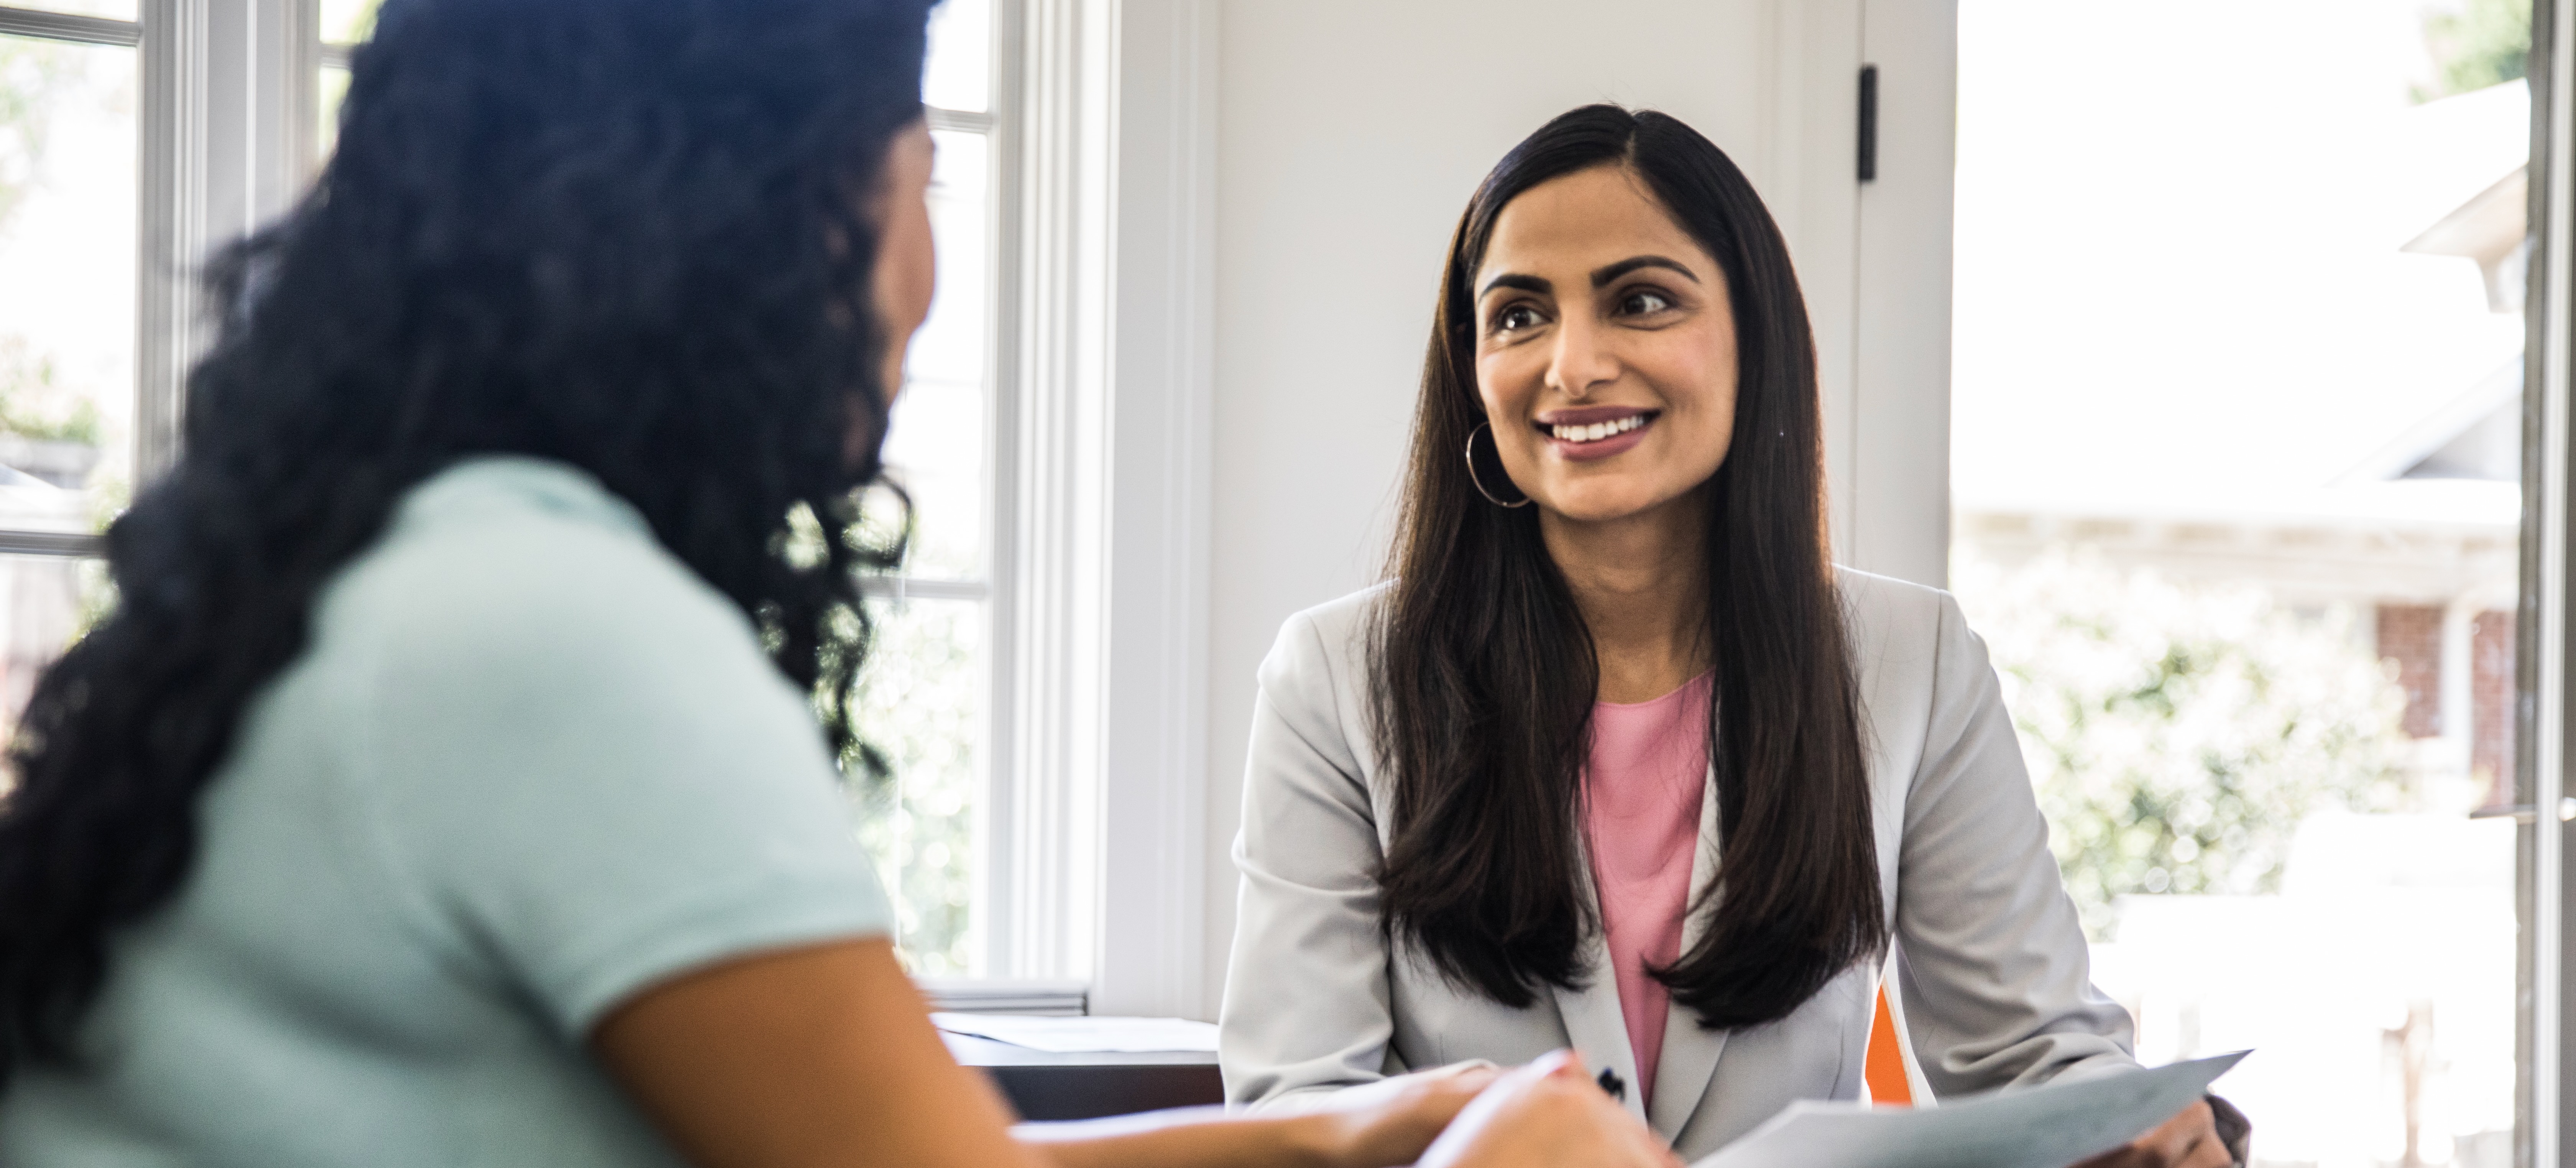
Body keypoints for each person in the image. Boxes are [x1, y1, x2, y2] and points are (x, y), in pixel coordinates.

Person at [0, 4, 1678, 1166]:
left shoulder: (410, 566)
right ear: (760, 221)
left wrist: (1356, 1128)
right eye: (921, 180)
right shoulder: (562, 640)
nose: (929, 277)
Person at [1217, 104, 2249, 1167]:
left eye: (1641, 301)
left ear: (1755, 339)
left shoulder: (1912, 659)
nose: (1572, 366)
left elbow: (2035, 1056)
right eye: (1520, 316)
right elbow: (1295, 1111)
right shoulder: (1337, 680)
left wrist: (2133, 1124)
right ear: (1472, 373)